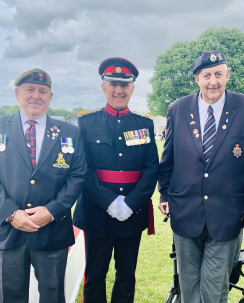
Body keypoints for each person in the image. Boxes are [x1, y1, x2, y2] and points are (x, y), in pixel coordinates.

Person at [158, 50, 244, 302]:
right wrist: (164, 192)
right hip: (185, 211)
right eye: (207, 75)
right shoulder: (177, 109)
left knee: (215, 289)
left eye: (219, 74)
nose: (213, 81)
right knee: (188, 285)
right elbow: (168, 159)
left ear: (227, 75)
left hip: (228, 214)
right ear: (197, 78)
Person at [0, 68, 87, 303]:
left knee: (52, 296)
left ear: (50, 97)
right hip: (8, 231)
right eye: (30, 90)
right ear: (17, 94)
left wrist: (51, 211)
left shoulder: (70, 132)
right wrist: (10, 213)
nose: (36, 95)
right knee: (9, 297)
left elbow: (77, 176)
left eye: (42, 91)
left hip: (51, 230)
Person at [73, 57, 159, 303]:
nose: (119, 90)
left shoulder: (144, 124)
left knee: (126, 277)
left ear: (132, 89)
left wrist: (131, 203)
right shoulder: (87, 123)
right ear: (103, 87)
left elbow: (151, 168)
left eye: (125, 85)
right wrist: (109, 202)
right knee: (94, 275)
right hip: (97, 211)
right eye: (113, 84)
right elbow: (83, 169)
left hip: (132, 213)